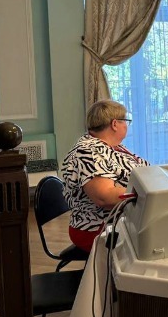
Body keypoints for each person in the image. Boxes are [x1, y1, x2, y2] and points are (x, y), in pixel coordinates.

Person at [61, 100, 149, 252]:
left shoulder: (113, 147)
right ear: (115, 124)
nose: (126, 126)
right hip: (98, 227)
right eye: (125, 121)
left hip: (121, 219)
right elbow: (105, 197)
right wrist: (147, 193)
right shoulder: (89, 151)